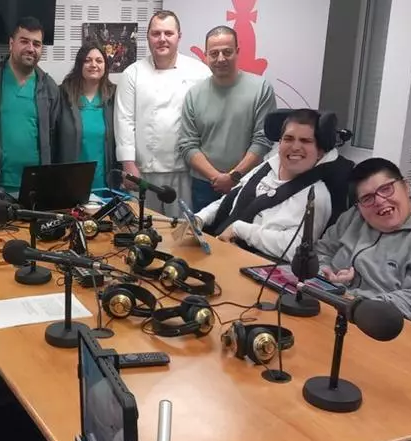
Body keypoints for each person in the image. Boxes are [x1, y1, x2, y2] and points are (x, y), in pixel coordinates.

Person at [315, 158, 411, 320]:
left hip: (379, 322)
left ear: (405, 187)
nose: (379, 201)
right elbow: (322, 251)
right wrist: (326, 276)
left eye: (386, 189)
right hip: (331, 304)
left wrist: (366, 306)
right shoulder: (353, 217)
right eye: (367, 198)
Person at [194, 109, 335, 261]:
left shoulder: (317, 195)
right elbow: (230, 199)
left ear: (320, 151)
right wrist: (199, 219)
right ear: (280, 143)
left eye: (305, 141)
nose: (295, 147)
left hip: (255, 266)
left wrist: (241, 230)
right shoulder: (266, 168)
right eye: (288, 139)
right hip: (219, 249)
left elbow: (296, 249)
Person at [114, 10, 211, 217]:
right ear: (148, 36)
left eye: (168, 33)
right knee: (144, 226)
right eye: (156, 33)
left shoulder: (200, 72)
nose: (162, 39)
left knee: (181, 228)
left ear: (179, 36)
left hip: (185, 169)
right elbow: (124, 120)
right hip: (143, 170)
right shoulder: (132, 73)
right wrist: (128, 164)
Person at [178, 25, 277, 213]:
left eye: (227, 52)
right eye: (214, 53)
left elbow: (262, 140)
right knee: (204, 231)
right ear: (206, 56)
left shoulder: (261, 89)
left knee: (239, 231)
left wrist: (233, 177)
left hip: (247, 181)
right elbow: (188, 144)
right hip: (204, 185)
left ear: (237, 52)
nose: (221, 58)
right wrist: (217, 177)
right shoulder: (194, 94)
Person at [0, 16, 60, 193]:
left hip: (36, 187)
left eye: (36, 44)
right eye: (24, 41)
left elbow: (55, 139)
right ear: (11, 43)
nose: (31, 48)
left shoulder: (49, 88)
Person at [55, 42, 117, 190]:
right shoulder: (62, 95)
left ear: (105, 66)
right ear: (79, 65)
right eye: (87, 60)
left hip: (105, 181)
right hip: (70, 181)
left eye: (99, 61)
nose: (93, 65)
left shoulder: (115, 96)